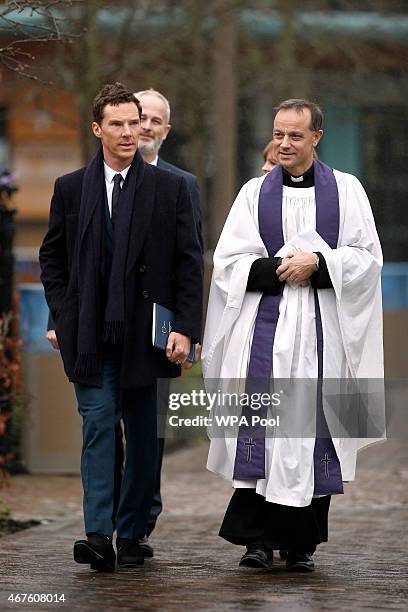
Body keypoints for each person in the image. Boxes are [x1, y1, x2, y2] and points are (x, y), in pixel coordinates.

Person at [202, 99, 384, 572]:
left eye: (295, 136)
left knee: (312, 434)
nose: (284, 143)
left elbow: (367, 259)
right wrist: (276, 268)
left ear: (316, 138)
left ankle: (301, 545)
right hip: (266, 331)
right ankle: (256, 543)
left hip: (322, 335)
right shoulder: (252, 193)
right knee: (262, 427)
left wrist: (321, 264)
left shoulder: (347, 191)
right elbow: (228, 262)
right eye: (279, 134)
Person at [39, 82, 203, 571]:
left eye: (135, 122)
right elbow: (53, 257)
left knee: (145, 434)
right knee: (98, 428)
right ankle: (98, 535)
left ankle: (132, 531)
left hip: (146, 334)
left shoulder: (169, 186)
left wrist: (185, 328)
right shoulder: (71, 188)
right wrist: (64, 313)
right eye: (118, 123)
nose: (130, 132)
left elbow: (188, 263)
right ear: (98, 129)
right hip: (88, 336)